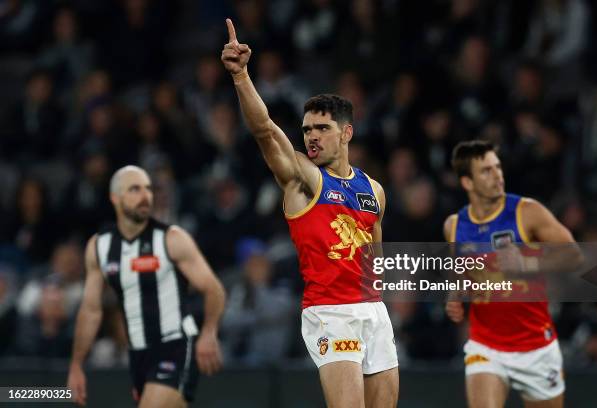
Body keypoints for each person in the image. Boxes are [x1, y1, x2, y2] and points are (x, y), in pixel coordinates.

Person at [221, 19, 399, 408]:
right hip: (331, 314)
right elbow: (266, 131)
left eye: (321, 128)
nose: (311, 137)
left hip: (372, 311)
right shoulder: (305, 180)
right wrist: (241, 77)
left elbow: (375, 259)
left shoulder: (375, 190)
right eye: (306, 130)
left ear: (347, 133)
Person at [67, 166, 225, 407]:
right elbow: (91, 310)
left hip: (177, 345)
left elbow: (213, 288)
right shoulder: (100, 247)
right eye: (135, 189)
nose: (145, 196)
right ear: (115, 198)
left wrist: (209, 332)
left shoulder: (171, 239)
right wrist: (76, 365)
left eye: (148, 189)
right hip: (138, 355)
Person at [444, 140, 575, 408]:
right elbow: (461, 273)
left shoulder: (527, 213)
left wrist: (527, 265)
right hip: (486, 345)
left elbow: (573, 255)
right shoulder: (454, 226)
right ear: (467, 182)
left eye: (498, 167)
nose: (498, 176)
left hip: (536, 345)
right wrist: (456, 295)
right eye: (486, 171)